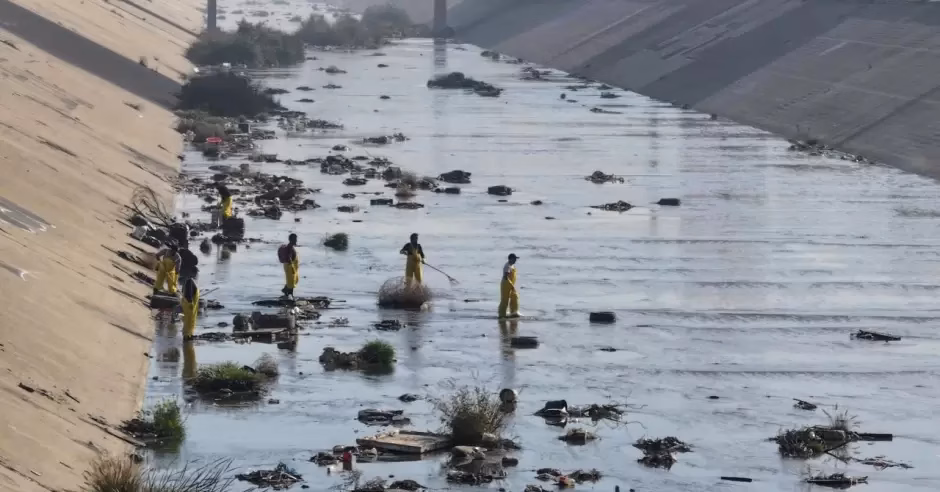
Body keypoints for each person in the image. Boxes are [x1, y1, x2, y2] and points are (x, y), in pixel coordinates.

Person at [278, 233, 299, 298]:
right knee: (291, 283)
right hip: (290, 266)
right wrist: (292, 268)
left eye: (296, 239)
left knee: (293, 281)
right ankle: (290, 296)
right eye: (295, 239)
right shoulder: (289, 247)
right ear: (291, 240)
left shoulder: (290, 247)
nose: (296, 240)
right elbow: (289, 257)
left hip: (289, 266)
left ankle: (285, 291)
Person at [498, 253, 520, 318]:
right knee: (505, 300)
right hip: (505, 284)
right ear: (510, 259)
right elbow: (505, 277)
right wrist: (510, 285)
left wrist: (512, 285)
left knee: (515, 296)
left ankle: (513, 312)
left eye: (516, 259)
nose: (515, 260)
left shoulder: (512, 266)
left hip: (510, 284)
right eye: (514, 259)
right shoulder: (507, 266)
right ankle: (502, 315)